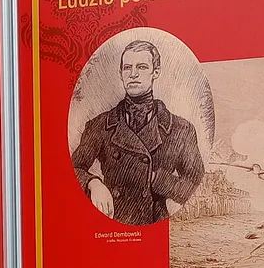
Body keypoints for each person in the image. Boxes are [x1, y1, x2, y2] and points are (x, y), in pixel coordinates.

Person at [70, 40, 205, 225]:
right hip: (112, 221)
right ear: (120, 74)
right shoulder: (99, 125)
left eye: (141, 67)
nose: (133, 74)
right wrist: (93, 183)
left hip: (155, 225)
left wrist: (155, 179)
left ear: (155, 72)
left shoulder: (181, 129)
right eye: (127, 68)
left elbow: (194, 183)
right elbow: (73, 169)